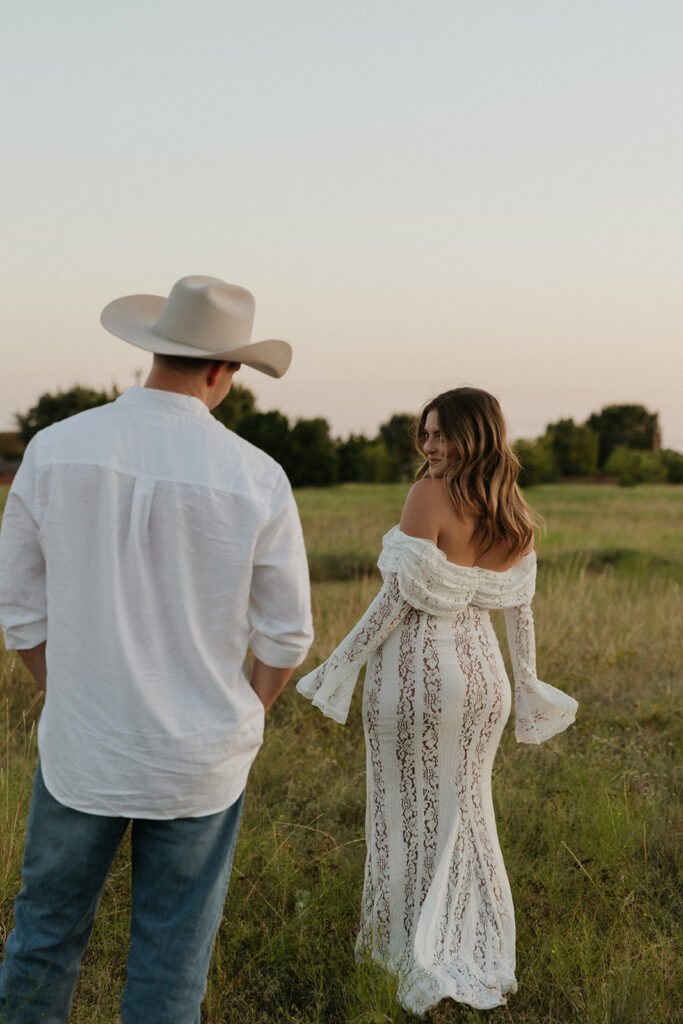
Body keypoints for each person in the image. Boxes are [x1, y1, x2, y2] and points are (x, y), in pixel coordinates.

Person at [0, 275, 313, 1023]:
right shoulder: (256, 476)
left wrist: (69, 689)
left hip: (83, 747)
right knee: (172, 963)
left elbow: (18, 608)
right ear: (220, 370)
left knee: (43, 938)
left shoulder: (54, 448)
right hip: (200, 761)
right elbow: (286, 633)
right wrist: (244, 711)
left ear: (155, 351)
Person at [297, 386, 578, 1016]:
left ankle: (407, 952)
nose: (430, 446)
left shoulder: (429, 494)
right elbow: (519, 611)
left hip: (420, 679)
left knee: (406, 815)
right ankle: (475, 945)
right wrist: (526, 681)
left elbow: (396, 599)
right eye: (425, 434)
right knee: (469, 814)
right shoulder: (515, 513)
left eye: (443, 434)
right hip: (485, 684)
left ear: (474, 435)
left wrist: (338, 665)